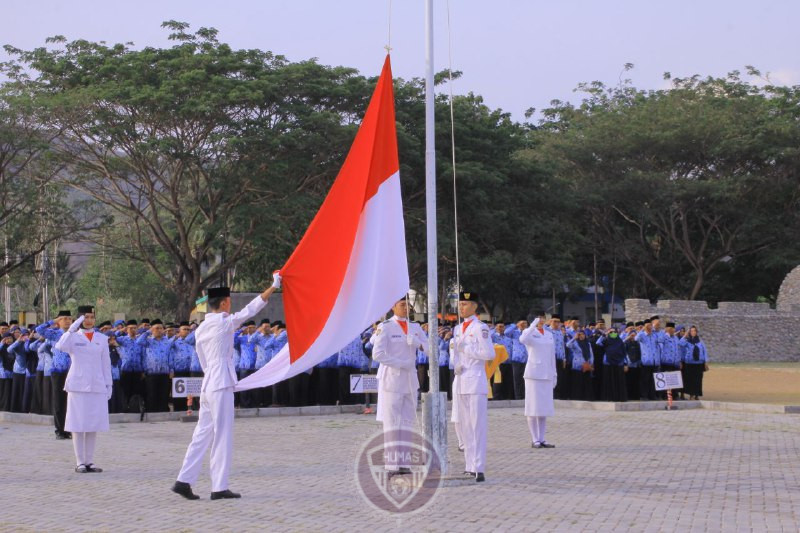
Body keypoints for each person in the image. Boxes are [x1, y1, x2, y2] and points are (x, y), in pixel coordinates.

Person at [173, 274, 280, 501]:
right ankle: (219, 486)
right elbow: (251, 310)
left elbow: (201, 359)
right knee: (222, 435)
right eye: (229, 301)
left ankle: (184, 480)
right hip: (221, 383)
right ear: (223, 303)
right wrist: (273, 286)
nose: (231, 305)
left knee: (202, 434)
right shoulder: (224, 322)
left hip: (208, 382)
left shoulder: (201, 329)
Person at [371, 298, 427, 475]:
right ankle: (391, 465)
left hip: (410, 379)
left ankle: (405, 463)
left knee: (407, 422)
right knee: (392, 423)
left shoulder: (415, 327)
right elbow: (377, 354)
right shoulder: (385, 327)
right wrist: (400, 363)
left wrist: (418, 344)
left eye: (407, 305)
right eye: (402, 305)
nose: (406, 308)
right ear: (393, 306)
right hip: (392, 379)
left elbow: (430, 348)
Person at [55, 305, 112, 473]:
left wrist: (109, 384)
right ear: (80, 319)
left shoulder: (101, 338)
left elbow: (105, 364)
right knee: (78, 424)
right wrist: (72, 328)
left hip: (96, 384)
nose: (89, 320)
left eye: (92, 317)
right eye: (85, 317)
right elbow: (60, 346)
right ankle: (80, 461)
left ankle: (89, 461)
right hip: (78, 385)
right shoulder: (73, 337)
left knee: (93, 424)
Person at [450, 292, 495, 482]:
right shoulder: (458, 328)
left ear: (475, 307)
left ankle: (479, 467)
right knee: (464, 425)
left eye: (466, 304)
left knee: (477, 425)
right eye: (460, 304)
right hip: (461, 380)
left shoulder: (480, 328)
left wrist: (466, 349)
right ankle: (469, 465)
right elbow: (455, 352)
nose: (462, 307)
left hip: (476, 380)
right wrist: (455, 362)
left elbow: (489, 354)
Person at [519, 313, 557, 449]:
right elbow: (522, 339)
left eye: (542, 317)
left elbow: (552, 355)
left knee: (543, 409)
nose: (541, 320)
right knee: (532, 408)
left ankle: (542, 438)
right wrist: (532, 325)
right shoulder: (529, 332)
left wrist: (554, 373)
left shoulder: (549, 334)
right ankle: (534, 439)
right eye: (538, 318)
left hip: (546, 373)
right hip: (533, 374)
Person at [37, 310, 73, 439]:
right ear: (59, 321)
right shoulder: (55, 334)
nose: (67, 321)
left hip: (72, 371)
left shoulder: (75, 334)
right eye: (64, 319)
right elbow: (39, 329)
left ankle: (69, 428)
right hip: (58, 371)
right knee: (59, 401)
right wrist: (53, 321)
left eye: (69, 318)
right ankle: (59, 430)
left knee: (70, 402)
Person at [137, 319, 172, 412]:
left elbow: (170, 356)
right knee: (151, 395)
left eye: (161, 328)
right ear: (152, 329)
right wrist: (148, 331)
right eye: (156, 328)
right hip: (151, 373)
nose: (159, 330)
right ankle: (152, 413)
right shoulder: (148, 341)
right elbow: (138, 342)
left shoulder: (167, 342)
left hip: (164, 373)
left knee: (164, 395)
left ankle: (163, 413)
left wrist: (171, 370)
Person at [597, 327, 628, 402]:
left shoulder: (620, 341)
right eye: (611, 332)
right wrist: (605, 334)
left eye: (614, 332)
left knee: (619, 381)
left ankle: (620, 397)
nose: (612, 334)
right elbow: (598, 343)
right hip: (608, 362)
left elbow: (624, 353)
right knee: (609, 380)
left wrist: (625, 364)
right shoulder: (606, 341)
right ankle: (609, 397)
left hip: (619, 363)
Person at [679, 326, 709, 400]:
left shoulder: (700, 342)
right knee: (690, 380)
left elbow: (704, 351)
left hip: (699, 363)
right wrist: (685, 336)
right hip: (689, 363)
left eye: (694, 331)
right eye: (691, 331)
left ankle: (697, 395)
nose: (693, 332)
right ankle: (691, 395)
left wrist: (706, 362)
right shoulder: (687, 341)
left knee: (698, 380)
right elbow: (680, 343)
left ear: (696, 332)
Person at [635, 319, 660, 400]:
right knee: (645, 380)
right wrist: (642, 329)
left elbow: (661, 339)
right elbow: (636, 339)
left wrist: (655, 328)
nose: (650, 327)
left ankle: (652, 395)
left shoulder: (654, 335)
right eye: (648, 325)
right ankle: (644, 396)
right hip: (646, 361)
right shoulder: (642, 335)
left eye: (650, 325)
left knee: (653, 380)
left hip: (654, 361)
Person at [566, 330, 594, 401]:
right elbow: (568, 345)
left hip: (587, 365)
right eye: (579, 334)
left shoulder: (588, 343)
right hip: (578, 365)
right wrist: (574, 338)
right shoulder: (575, 343)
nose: (581, 336)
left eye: (583, 334)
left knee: (586, 382)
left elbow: (591, 354)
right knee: (578, 382)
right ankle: (577, 397)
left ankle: (586, 397)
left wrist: (591, 363)